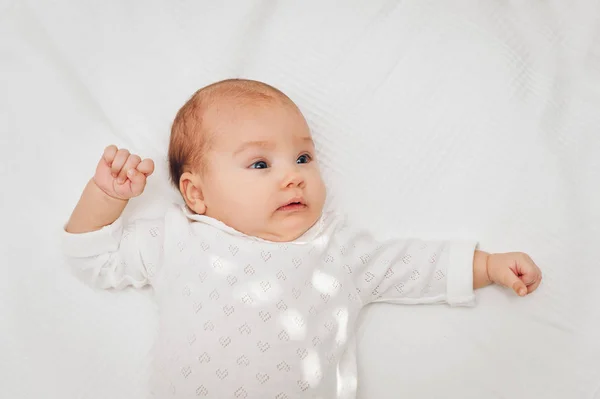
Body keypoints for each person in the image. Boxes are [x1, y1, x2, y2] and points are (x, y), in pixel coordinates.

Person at [63, 79, 542, 398]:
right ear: (196, 193)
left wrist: (487, 265)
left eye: (303, 159)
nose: (292, 177)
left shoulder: (336, 248)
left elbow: (411, 266)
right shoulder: (175, 237)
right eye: (259, 164)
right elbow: (94, 258)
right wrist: (106, 197)